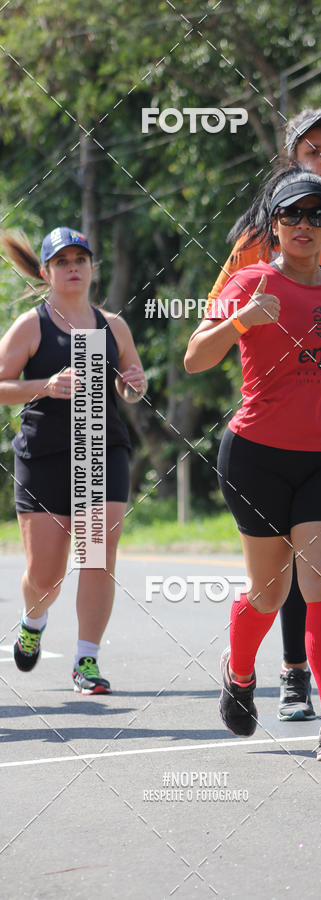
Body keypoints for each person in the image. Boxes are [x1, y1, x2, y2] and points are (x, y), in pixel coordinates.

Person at [185, 168, 321, 761]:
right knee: (270, 591)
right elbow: (196, 359)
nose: (304, 225)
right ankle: (241, 671)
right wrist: (240, 320)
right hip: (257, 458)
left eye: (316, 216)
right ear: (273, 224)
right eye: (291, 215)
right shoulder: (250, 280)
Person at [0, 226, 147, 694]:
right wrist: (43, 385)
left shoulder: (112, 326)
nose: (72, 269)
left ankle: (86, 661)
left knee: (97, 557)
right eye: (61, 262)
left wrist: (133, 384)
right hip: (43, 454)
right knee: (45, 577)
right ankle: (34, 618)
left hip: (100, 449)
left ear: (91, 269)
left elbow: (129, 383)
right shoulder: (32, 325)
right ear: (46, 272)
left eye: (79, 260)